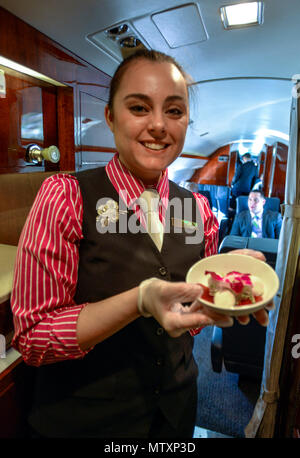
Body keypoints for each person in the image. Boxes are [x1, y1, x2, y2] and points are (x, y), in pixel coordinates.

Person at [10, 49, 271, 439]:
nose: (159, 126)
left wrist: (221, 292)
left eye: (175, 111)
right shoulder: (65, 196)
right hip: (85, 420)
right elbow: (33, 337)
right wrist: (139, 300)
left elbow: (190, 323)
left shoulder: (199, 208)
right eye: (139, 107)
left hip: (176, 413)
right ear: (111, 117)